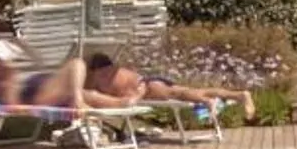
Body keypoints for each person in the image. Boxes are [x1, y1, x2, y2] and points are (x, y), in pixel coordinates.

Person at [80, 51, 255, 121]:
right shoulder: (114, 72)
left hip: (148, 86)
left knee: (178, 93)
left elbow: (139, 84)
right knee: (188, 91)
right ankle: (239, 95)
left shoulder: (102, 75)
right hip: (150, 84)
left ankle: (208, 102)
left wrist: (135, 98)